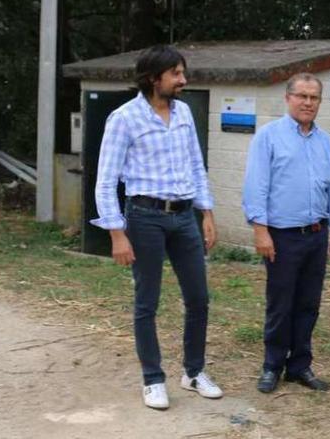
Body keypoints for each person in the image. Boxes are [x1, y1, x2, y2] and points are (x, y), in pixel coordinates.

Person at [92, 45, 223, 410]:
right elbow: (105, 181)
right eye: (176, 74)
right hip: (144, 217)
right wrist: (116, 232)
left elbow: (197, 165)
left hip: (184, 218)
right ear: (155, 79)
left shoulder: (183, 113)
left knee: (199, 297)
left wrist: (207, 212)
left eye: (183, 73)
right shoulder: (124, 118)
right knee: (146, 301)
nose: (183, 80)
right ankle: (153, 379)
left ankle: (194, 372)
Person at [242, 72, 330, 394]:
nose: (307, 102)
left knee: (308, 304)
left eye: (313, 97)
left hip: (316, 234)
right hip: (282, 237)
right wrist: (260, 231)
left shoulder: (324, 140)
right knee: (280, 304)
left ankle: (299, 366)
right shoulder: (269, 136)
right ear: (288, 98)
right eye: (301, 96)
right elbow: (255, 187)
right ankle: (272, 365)